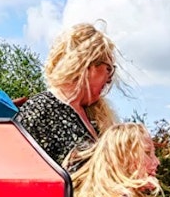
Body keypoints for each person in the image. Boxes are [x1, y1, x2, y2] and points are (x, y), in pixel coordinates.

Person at [15, 23, 118, 171]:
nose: (109, 79)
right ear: (87, 64)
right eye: (108, 69)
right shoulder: (40, 110)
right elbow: (22, 174)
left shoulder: (94, 116)